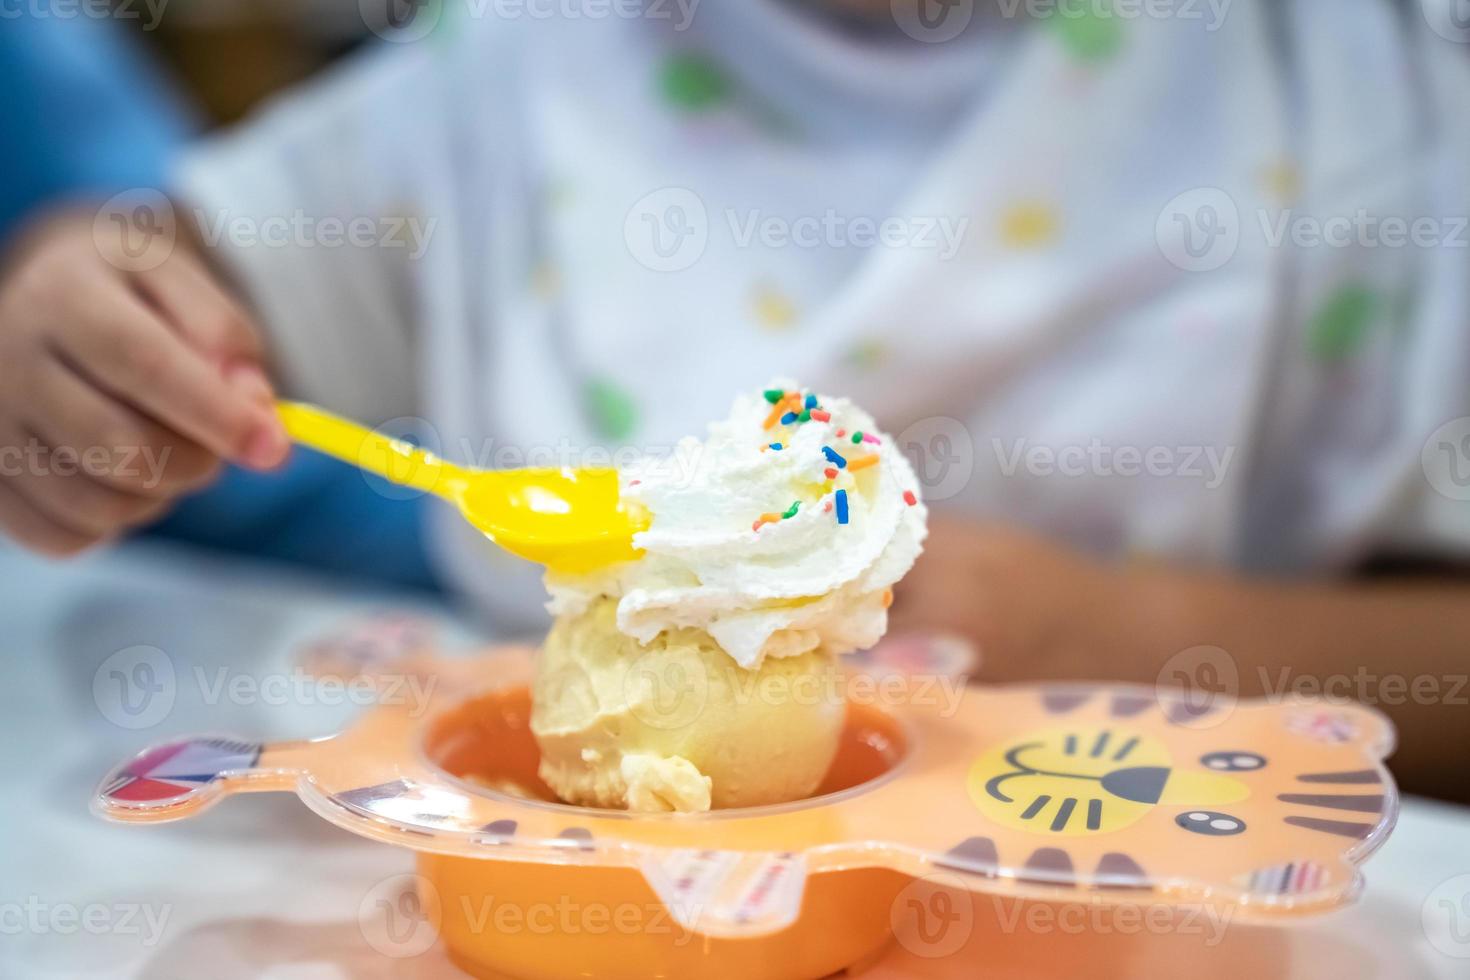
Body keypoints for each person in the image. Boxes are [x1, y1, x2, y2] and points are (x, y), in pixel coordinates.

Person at [2, 2, 1468, 797]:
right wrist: (88, 319)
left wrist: (1133, 639)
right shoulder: (515, 64)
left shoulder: (1351, 89)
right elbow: (179, 259)